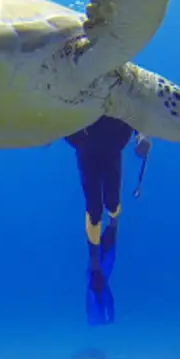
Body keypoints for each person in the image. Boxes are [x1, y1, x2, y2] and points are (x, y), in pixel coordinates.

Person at [64, 116, 151, 326]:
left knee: (111, 203)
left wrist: (143, 136)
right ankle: (94, 261)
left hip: (109, 145)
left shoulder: (121, 87)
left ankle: (112, 227)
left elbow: (138, 107)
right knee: (94, 208)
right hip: (88, 147)